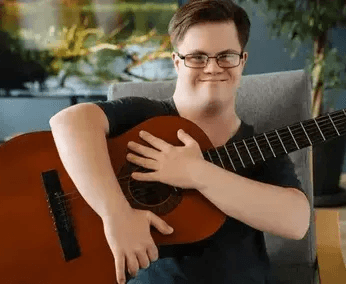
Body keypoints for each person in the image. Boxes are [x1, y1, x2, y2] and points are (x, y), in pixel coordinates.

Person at [49, 0, 311, 283]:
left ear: (242, 61)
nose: (212, 68)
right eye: (197, 57)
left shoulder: (260, 143)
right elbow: (68, 122)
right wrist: (116, 214)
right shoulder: (145, 115)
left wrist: (198, 173)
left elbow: (296, 222)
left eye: (226, 56)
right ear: (177, 62)